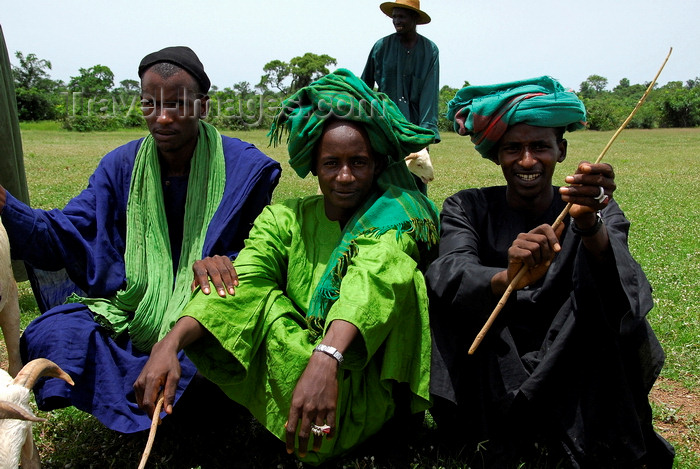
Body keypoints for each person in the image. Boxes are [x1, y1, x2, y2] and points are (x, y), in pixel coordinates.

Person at [134, 68, 439, 464]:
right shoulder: (286, 218)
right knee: (234, 284)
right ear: (313, 166)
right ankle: (297, 414)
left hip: (359, 372)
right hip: (304, 359)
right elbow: (250, 275)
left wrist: (326, 358)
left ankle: (356, 424)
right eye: (331, 163)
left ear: (377, 166)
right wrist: (169, 343)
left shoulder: (396, 217)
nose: (344, 176)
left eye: (358, 163)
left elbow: (374, 282)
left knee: (404, 282)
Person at [0, 46, 281, 433]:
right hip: (133, 309)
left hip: (204, 306)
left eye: (177, 105)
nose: (162, 118)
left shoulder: (244, 166)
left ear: (202, 106)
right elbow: (66, 231)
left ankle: (190, 400)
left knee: (223, 352)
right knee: (52, 334)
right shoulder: (121, 166)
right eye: (151, 104)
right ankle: (162, 398)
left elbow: (263, 249)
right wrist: (6, 205)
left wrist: (225, 257)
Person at [425, 76, 675, 468]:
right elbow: (448, 271)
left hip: (573, 361)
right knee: (452, 300)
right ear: (496, 156)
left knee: (607, 303)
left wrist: (589, 226)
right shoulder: (467, 207)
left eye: (540, 146)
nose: (527, 160)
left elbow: (624, 291)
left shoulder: (596, 209)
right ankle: (488, 424)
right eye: (513, 148)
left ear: (561, 151)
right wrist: (507, 278)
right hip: (495, 361)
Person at [361, 0, 440, 193]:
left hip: (413, 130)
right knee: (382, 180)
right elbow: (364, 86)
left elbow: (430, 95)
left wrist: (423, 137)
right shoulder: (380, 47)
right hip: (384, 127)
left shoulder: (430, 51)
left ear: (414, 18)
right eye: (394, 16)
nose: (396, 20)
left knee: (415, 184)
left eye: (401, 16)